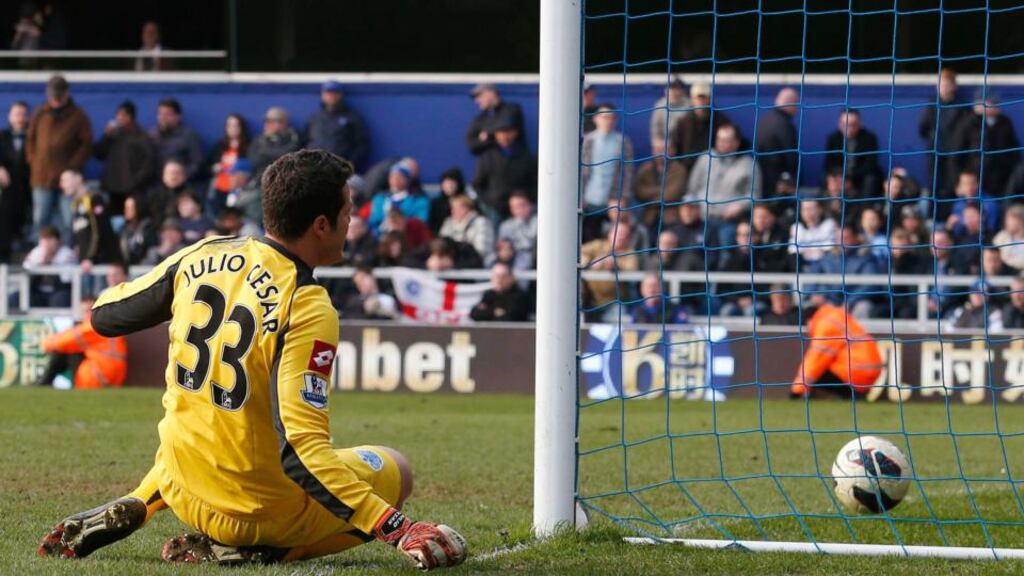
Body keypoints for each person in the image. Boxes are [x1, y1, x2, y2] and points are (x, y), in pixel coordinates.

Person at [38, 150, 467, 570]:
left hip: (182, 487)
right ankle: (267, 551)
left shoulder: (202, 254)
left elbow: (106, 316)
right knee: (397, 468)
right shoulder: (306, 303)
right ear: (321, 225)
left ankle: (144, 501)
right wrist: (395, 527)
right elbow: (300, 449)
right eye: (347, 210)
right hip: (253, 510)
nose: (351, 220)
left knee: (204, 422)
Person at [27, 75, 93, 240]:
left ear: (66, 94)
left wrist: (72, 168)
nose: (55, 100)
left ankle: (67, 256)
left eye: (58, 97)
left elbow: (86, 145)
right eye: (52, 97)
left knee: (69, 220)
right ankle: (39, 255)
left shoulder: (78, 116)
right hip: (41, 177)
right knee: (40, 218)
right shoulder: (40, 113)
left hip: (68, 181)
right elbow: (30, 140)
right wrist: (34, 162)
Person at [790, 302, 883, 399]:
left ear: (809, 320)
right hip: (872, 369)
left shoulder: (825, 325)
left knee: (817, 373)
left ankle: (852, 396)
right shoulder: (838, 316)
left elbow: (816, 359)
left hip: (857, 370)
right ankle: (854, 396)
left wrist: (796, 391)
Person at [34, 296, 127, 389]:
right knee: (71, 349)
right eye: (84, 311)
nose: (87, 314)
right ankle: (43, 383)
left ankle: (43, 384)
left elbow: (62, 342)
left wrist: (44, 343)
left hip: (96, 378)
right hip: (114, 380)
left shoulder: (93, 327)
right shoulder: (108, 323)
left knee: (64, 350)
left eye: (89, 310)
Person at [685, 123, 762, 236]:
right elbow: (692, 188)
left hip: (729, 222)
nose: (722, 144)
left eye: (727, 140)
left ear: (736, 142)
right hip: (701, 220)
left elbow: (755, 194)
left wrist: (740, 206)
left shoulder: (749, 164)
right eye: (720, 139)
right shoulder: (705, 158)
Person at [805, 225, 883, 318]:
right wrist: (814, 294)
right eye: (839, 238)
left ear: (855, 238)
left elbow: (871, 285)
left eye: (846, 238)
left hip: (854, 303)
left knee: (864, 307)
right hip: (829, 300)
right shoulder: (828, 257)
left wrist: (849, 302)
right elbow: (811, 278)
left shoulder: (866, 258)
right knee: (808, 306)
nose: (842, 242)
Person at [94, 100, 158, 213]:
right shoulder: (113, 135)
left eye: (123, 115)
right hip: (112, 188)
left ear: (131, 117)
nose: (119, 118)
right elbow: (99, 154)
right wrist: (106, 137)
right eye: (118, 115)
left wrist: (136, 181)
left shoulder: (141, 137)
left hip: (133, 189)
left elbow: (149, 162)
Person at [953, 90, 1020, 199]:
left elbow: (1014, 152)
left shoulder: (1005, 123)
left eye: (994, 103)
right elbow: (956, 154)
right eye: (988, 102)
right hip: (975, 182)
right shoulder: (969, 122)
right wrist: (958, 181)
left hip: (1000, 181)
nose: (993, 105)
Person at [581, 104, 634, 241]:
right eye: (604, 117)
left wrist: (622, 198)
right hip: (588, 200)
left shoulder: (622, 142)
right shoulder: (587, 141)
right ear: (596, 119)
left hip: (612, 202)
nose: (608, 121)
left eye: (611, 117)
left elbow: (628, 173)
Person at [918, 68, 971, 201]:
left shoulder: (962, 107)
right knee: (934, 186)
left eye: (947, 84)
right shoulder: (932, 105)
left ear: (954, 86)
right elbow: (923, 128)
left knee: (951, 187)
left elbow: (966, 131)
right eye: (941, 84)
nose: (943, 88)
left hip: (955, 155)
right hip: (935, 152)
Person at [472, 116, 537, 216]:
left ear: (515, 133)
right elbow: (478, 184)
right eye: (501, 133)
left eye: (508, 132)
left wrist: (524, 198)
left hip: (520, 209)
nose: (505, 136)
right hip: (495, 208)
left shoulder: (525, 156)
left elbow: (534, 181)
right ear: (496, 135)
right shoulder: (488, 156)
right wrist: (490, 201)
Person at [62, 170, 120, 270]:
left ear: (78, 179)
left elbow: (99, 230)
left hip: (100, 263)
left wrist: (90, 258)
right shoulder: (76, 205)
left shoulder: (94, 199)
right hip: (85, 264)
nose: (62, 185)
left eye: (65, 180)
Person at [306, 81, 369, 170]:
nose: (331, 96)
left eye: (334, 93)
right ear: (323, 95)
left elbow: (361, 144)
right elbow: (305, 139)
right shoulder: (315, 117)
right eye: (328, 93)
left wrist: (350, 163)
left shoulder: (351, 117)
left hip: (339, 168)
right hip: (314, 166)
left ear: (340, 95)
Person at [823, 109, 882, 199]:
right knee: (826, 178)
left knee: (870, 179)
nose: (849, 129)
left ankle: (865, 210)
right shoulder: (833, 138)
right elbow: (829, 164)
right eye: (845, 125)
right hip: (840, 177)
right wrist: (840, 178)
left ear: (860, 124)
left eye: (853, 125)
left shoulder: (869, 138)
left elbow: (870, 165)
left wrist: (850, 178)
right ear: (839, 124)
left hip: (861, 177)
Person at [672, 82, 731, 171]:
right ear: (692, 99)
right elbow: (676, 148)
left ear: (709, 99)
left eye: (704, 98)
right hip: (687, 169)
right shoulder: (683, 121)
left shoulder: (720, 120)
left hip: (713, 169)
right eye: (698, 98)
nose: (701, 102)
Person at [632, 137, 687, 229]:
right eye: (657, 150)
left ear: (672, 151)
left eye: (664, 150)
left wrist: (649, 199)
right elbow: (638, 191)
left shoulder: (679, 169)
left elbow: (673, 194)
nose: (660, 153)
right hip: (648, 219)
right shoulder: (645, 168)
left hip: (670, 220)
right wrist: (660, 190)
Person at [0, 101, 31, 262]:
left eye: (23, 114)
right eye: (16, 114)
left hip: (29, 191)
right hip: (7, 192)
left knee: (28, 231)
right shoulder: (3, 136)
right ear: (9, 117)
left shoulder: (33, 137)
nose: (20, 118)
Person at [755, 87, 800, 197]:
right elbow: (791, 155)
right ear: (790, 102)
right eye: (797, 104)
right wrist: (793, 179)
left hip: (762, 179)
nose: (797, 108)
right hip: (780, 185)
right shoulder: (784, 124)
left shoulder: (765, 119)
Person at [365, 161, 430, 233]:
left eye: (400, 177)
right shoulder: (380, 198)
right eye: (393, 177)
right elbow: (373, 221)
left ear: (408, 180)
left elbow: (420, 221)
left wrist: (398, 223)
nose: (395, 180)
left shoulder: (419, 199)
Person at [22, 225, 76, 308]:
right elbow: (26, 277)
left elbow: (66, 281)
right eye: (44, 239)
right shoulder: (35, 253)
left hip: (58, 291)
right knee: (18, 296)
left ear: (58, 241)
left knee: (60, 299)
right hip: (38, 292)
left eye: (50, 239)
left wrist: (51, 262)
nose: (47, 243)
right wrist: (42, 263)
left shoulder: (67, 254)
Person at [465, 83, 526, 156]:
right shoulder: (479, 119)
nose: (477, 101)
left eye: (479, 95)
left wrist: (486, 136)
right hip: (487, 165)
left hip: (514, 163)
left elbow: (504, 134)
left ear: (492, 92)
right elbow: (472, 144)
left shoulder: (511, 109)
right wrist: (495, 136)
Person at [150, 98, 203, 181]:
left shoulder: (189, 136)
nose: (163, 118)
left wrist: (179, 176)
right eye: (160, 114)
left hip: (180, 185)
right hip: (155, 184)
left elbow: (197, 164)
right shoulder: (151, 135)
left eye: (167, 114)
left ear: (177, 116)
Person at [206, 113, 251, 208]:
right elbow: (208, 166)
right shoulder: (220, 146)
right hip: (220, 186)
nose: (232, 128)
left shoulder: (249, 146)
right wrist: (215, 167)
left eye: (235, 126)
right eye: (229, 125)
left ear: (242, 128)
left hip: (239, 189)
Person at [249, 106, 302, 177]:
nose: (267, 124)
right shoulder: (259, 139)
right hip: (262, 177)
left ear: (283, 123)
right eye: (266, 120)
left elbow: (286, 158)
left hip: (287, 177)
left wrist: (266, 153)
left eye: (270, 121)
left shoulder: (294, 138)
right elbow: (255, 161)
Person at [439, 194, 493, 263]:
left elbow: (483, 249)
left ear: (468, 208)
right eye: (452, 208)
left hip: (476, 261)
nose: (453, 211)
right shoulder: (448, 222)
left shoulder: (481, 222)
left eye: (457, 208)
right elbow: (441, 244)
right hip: (450, 261)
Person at [788, 199, 838, 265]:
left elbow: (832, 249)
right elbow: (792, 250)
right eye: (805, 209)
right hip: (803, 266)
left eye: (811, 208)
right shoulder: (796, 227)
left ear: (820, 210)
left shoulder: (829, 224)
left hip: (826, 265)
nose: (808, 212)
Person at [497, 192, 537, 270]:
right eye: (515, 207)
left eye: (522, 205)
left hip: (536, 260)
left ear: (530, 205)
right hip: (514, 263)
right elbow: (503, 248)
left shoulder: (540, 222)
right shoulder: (506, 226)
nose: (519, 209)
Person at [649, 77, 689, 145]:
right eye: (671, 88)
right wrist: (657, 142)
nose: (673, 91)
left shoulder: (689, 105)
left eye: (677, 88)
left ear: (682, 90)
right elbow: (655, 127)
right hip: (665, 143)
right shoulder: (660, 104)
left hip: (685, 142)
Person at [120, 195, 157, 265]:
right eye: (125, 208)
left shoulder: (148, 228)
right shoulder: (123, 229)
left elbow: (150, 249)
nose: (125, 210)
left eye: (129, 208)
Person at [428, 168, 466, 233]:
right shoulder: (435, 203)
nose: (449, 186)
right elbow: (432, 225)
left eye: (452, 182)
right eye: (446, 182)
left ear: (459, 184)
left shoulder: (467, 202)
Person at [993, 205, 1024, 271]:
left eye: (1009, 219)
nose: (1006, 223)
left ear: (1019, 221)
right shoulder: (1001, 236)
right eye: (1006, 219)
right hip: (1003, 273)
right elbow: (994, 255)